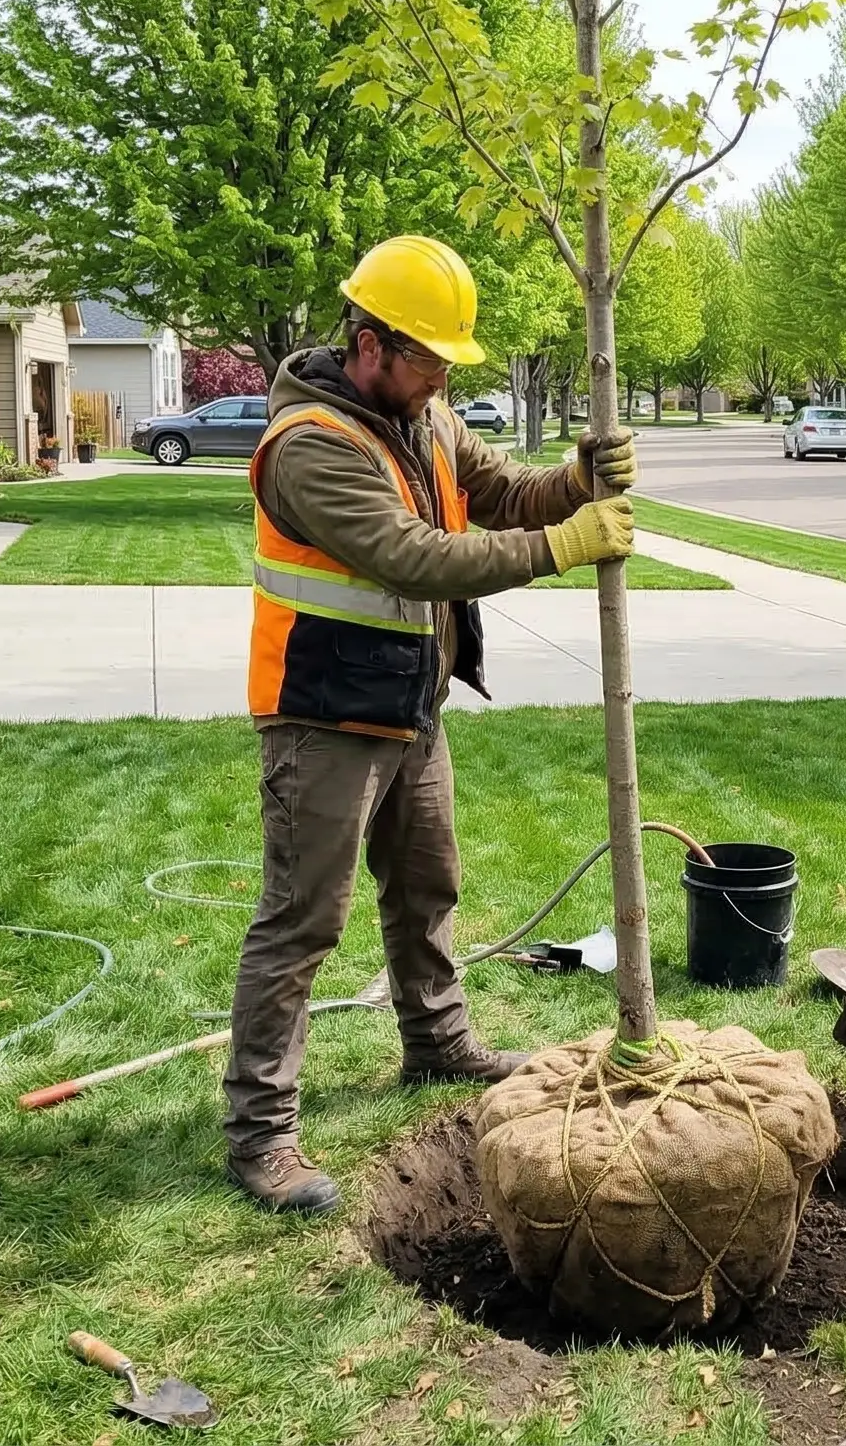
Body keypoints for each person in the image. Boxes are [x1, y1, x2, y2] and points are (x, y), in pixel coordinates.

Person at [223, 234, 638, 1215]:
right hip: (323, 717)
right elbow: (413, 556)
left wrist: (578, 478)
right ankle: (260, 1136)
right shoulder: (310, 446)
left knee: (427, 886)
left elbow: (503, 495)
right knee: (301, 924)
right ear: (369, 344)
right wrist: (560, 547)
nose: (446, 374)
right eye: (430, 357)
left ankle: (439, 1042)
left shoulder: (428, 416)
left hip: (412, 707)